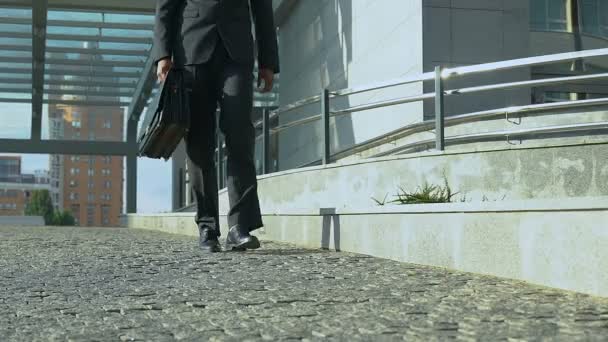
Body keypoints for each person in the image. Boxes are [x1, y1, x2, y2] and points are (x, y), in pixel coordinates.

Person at [153, 0, 279, 253]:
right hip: (192, 51)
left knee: (239, 133)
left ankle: (240, 226)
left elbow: (262, 7)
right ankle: (207, 226)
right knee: (199, 143)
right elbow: (165, 7)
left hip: (237, 52)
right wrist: (163, 54)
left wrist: (268, 61)